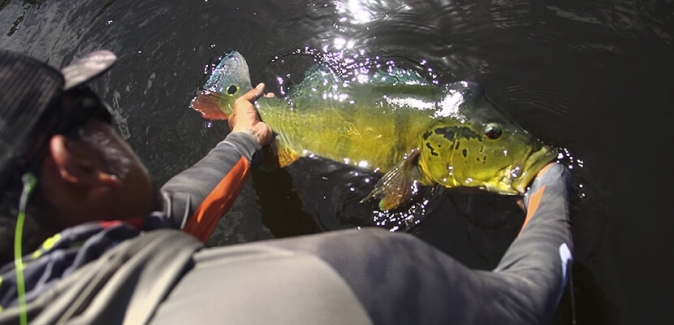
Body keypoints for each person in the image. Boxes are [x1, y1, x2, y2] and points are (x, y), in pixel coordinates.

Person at [0, 50, 573, 325]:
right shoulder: (352, 277)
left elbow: (173, 212)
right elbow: (518, 307)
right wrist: (547, 184)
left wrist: (243, 136)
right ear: (75, 164)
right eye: (87, 110)